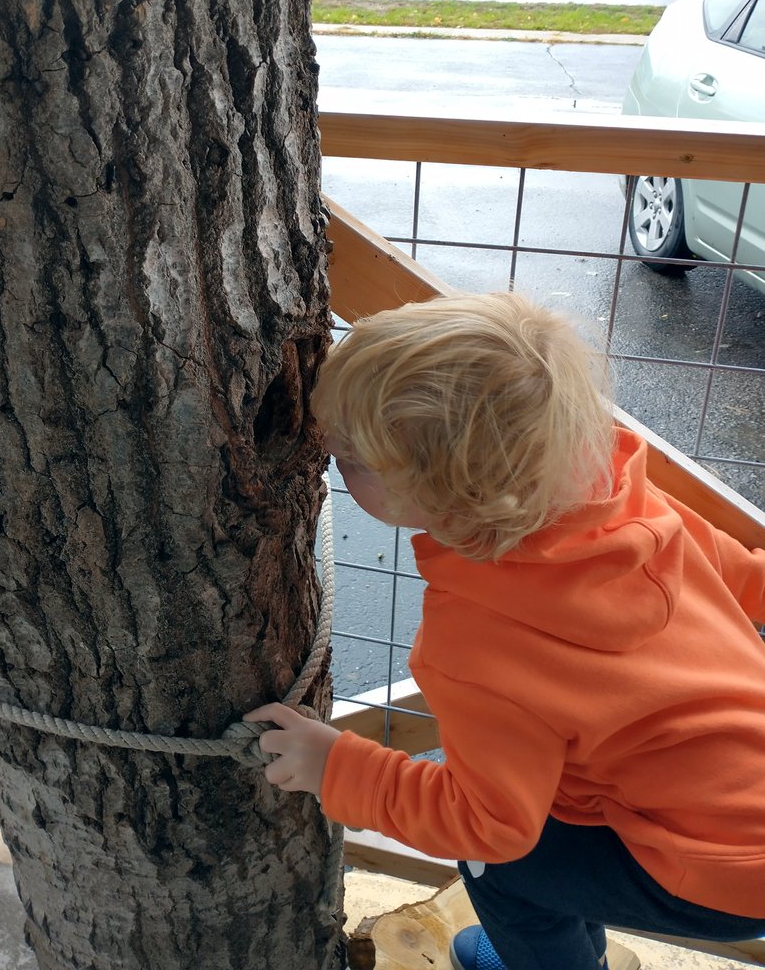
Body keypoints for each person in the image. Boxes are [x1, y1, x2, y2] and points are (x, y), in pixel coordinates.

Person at [245, 292, 765, 970]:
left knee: (502, 867)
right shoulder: (623, 497)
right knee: (553, 833)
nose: (324, 461)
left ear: (439, 492)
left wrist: (339, 766)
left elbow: (487, 823)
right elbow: (746, 577)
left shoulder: (480, 641)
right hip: (736, 793)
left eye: (349, 457)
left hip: (728, 870)